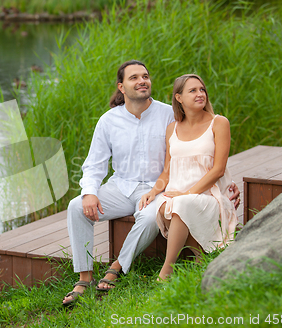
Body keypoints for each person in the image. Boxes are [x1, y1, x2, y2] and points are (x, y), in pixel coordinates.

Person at [62, 62, 240, 306]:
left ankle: (117, 266)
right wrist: (90, 193)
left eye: (145, 76)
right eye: (134, 77)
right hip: (120, 186)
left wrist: (228, 184)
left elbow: (203, 145)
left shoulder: (169, 113)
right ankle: (84, 277)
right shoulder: (108, 121)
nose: (142, 80)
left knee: (148, 218)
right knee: (75, 206)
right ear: (121, 86)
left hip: (158, 189)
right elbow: (94, 164)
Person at [139, 74, 238, 281]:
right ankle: (200, 256)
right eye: (192, 91)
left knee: (181, 204)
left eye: (202, 90)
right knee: (165, 203)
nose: (200, 94)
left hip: (208, 195)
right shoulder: (172, 129)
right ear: (179, 98)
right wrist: (154, 191)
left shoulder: (219, 123)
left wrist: (187, 193)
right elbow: (167, 170)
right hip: (177, 195)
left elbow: (219, 169)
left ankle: (166, 270)